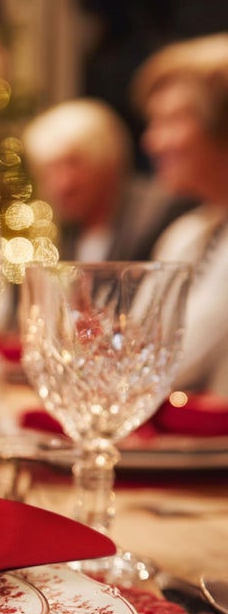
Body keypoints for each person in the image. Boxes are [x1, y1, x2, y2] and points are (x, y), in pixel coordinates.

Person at [132, 32, 228, 396]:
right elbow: (133, 353)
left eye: (170, 121)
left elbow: (169, 366)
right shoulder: (187, 233)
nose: (152, 141)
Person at [22, 97, 192, 263]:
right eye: (49, 171)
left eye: (74, 164)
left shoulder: (159, 213)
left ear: (108, 159)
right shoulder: (64, 232)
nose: (63, 184)